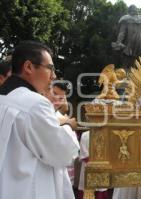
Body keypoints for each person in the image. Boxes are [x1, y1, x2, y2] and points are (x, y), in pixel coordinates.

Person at [0, 40, 80, 199]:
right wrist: (67, 125)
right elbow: (64, 153)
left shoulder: (4, 98)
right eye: (50, 68)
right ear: (29, 67)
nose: (54, 76)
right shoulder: (35, 104)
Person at [77, 131, 108, 199]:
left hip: (101, 166)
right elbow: (84, 154)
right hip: (90, 167)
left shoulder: (105, 134)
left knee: (100, 188)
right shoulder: (85, 135)